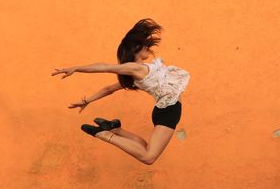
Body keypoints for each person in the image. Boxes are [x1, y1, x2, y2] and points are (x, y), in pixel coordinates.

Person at [51, 18, 190, 165]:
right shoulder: (135, 68)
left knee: (144, 147)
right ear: (136, 48)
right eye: (145, 46)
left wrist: (87, 100)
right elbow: (105, 67)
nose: (148, 48)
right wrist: (77, 68)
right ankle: (105, 135)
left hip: (165, 110)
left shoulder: (137, 75)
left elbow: (109, 89)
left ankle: (116, 130)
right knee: (148, 157)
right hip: (169, 109)